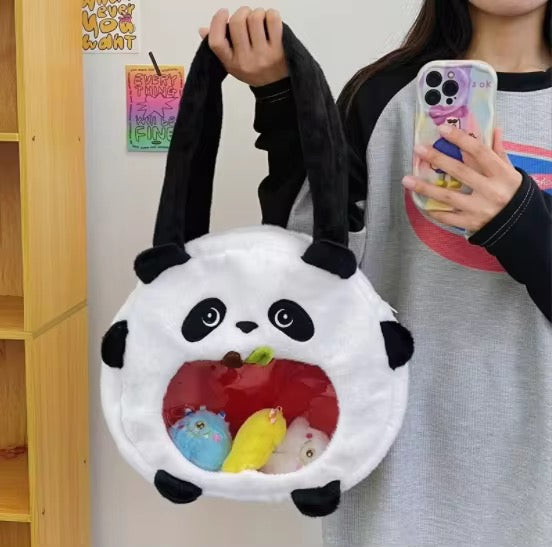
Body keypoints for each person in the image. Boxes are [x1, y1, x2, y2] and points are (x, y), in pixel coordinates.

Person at [199, 2, 552, 545]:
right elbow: (308, 276)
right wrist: (278, 99)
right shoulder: (382, 97)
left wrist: (519, 221)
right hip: (399, 486)